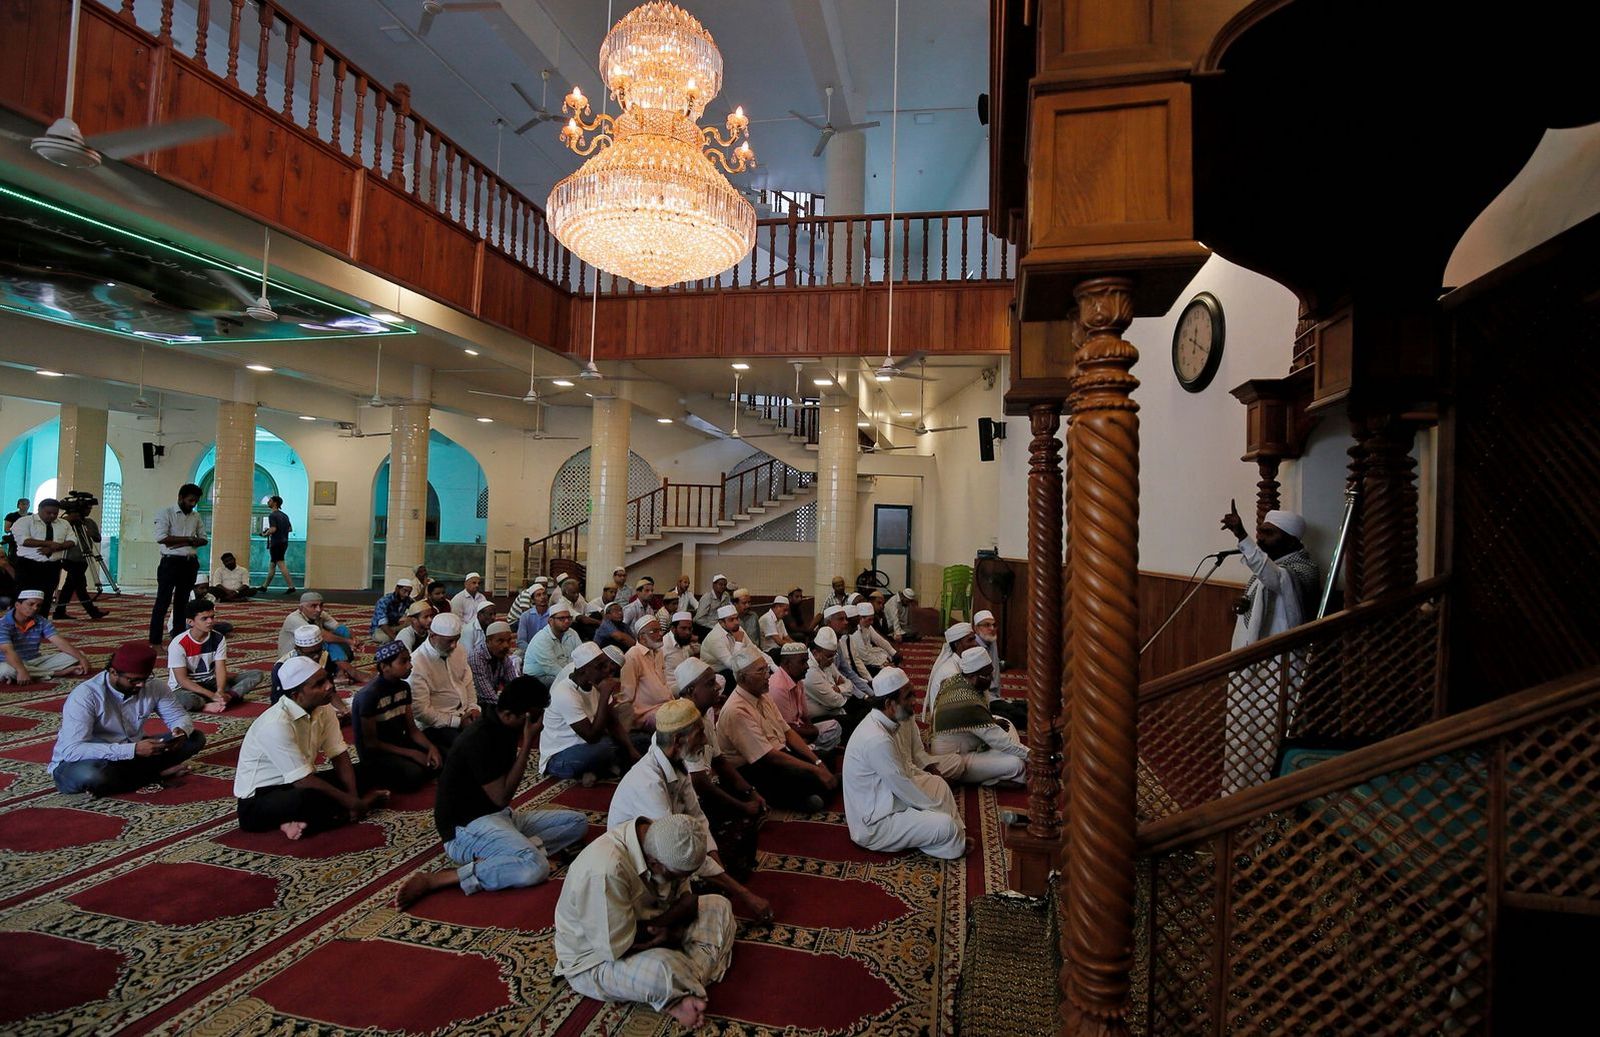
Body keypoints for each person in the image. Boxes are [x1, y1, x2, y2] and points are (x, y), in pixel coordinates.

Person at [396, 677, 590, 907]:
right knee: (536, 868)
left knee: (577, 823)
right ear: (510, 714)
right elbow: (501, 798)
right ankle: (442, 878)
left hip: (499, 818)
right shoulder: (480, 738)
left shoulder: (505, 726)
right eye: (533, 716)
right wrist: (528, 741)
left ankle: (507, 854)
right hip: (466, 829)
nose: (538, 722)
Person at [554, 814, 736, 1029]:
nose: (682, 880)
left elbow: (683, 897)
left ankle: (683, 988)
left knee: (719, 905)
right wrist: (671, 926)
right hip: (596, 959)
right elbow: (615, 947)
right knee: (661, 969)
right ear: (654, 863)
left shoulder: (666, 836)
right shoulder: (605, 871)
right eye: (677, 876)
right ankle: (679, 982)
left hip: (656, 925)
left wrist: (674, 921)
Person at [608, 699, 773, 921]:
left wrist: (716, 861)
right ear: (678, 740)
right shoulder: (648, 783)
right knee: (696, 893)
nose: (705, 740)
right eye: (699, 734)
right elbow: (674, 848)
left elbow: (697, 816)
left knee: (742, 828)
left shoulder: (677, 762)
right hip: (646, 863)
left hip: (674, 841)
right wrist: (745, 894)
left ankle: (716, 879)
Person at [1220, 503, 1323, 791]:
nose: (1262, 538)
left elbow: (1275, 579)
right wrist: (1246, 605)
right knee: (1243, 728)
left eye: (1269, 533)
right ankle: (1239, 789)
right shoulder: (1273, 566)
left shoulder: (1302, 570)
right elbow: (1265, 589)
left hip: (1279, 668)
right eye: (1260, 532)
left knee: (1268, 731)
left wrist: (1242, 537)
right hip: (1252, 664)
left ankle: (1266, 794)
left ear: (1291, 539)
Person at [234, 656, 388, 840]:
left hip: (298, 783)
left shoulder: (323, 708)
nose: (329, 686)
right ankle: (333, 815)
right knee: (309, 798)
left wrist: (352, 798)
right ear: (296, 695)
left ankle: (324, 816)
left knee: (366, 770)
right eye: (319, 684)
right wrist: (352, 802)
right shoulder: (276, 724)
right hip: (259, 800)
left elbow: (339, 755)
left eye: (327, 679)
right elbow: (303, 781)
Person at [48, 642, 207, 795]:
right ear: (113, 672)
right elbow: (73, 750)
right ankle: (153, 775)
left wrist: (180, 731)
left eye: (145, 679)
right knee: (92, 775)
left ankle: (124, 780)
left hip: (131, 754)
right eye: (134, 680)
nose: (141, 685)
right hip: (88, 760)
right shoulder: (86, 695)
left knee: (194, 738)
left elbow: (179, 716)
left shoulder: (154, 686)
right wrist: (132, 750)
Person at [843, 668, 969, 859]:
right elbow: (903, 787)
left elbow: (907, 768)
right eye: (908, 696)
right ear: (889, 704)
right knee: (945, 825)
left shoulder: (887, 723)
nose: (914, 701)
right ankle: (954, 839)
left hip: (889, 797)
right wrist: (936, 809)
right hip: (876, 823)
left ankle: (954, 837)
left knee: (938, 784)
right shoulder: (877, 739)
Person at [716, 647, 837, 812]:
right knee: (811, 778)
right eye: (761, 671)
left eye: (767, 669)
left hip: (779, 754)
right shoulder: (735, 710)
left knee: (827, 759)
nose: (768, 675)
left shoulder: (763, 694)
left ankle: (814, 793)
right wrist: (815, 770)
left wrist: (817, 762)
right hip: (755, 769)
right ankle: (807, 796)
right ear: (743, 678)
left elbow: (787, 732)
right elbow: (768, 756)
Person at [539, 642, 646, 783]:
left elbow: (613, 722)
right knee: (606, 747)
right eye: (600, 667)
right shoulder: (565, 693)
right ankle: (605, 767)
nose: (607, 670)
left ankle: (598, 770)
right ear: (583, 671)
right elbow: (592, 737)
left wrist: (631, 749)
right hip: (562, 756)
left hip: (591, 745)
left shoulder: (596, 682)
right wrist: (604, 696)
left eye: (606, 665)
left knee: (642, 740)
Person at [350, 641, 441, 792]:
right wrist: (411, 753)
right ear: (385, 667)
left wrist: (432, 748)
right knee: (414, 774)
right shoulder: (369, 696)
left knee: (442, 755)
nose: (410, 666)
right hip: (377, 754)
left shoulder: (404, 687)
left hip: (398, 744)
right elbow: (371, 743)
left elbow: (412, 730)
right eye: (403, 662)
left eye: (409, 660)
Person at [929, 647, 1027, 785]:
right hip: (954, 758)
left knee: (1005, 722)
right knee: (1016, 763)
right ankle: (993, 779)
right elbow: (1000, 741)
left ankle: (999, 774)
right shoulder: (967, 702)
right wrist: (1033, 756)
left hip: (968, 742)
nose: (991, 679)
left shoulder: (956, 680)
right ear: (972, 676)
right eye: (986, 676)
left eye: (990, 673)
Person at [168, 599, 264, 714]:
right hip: (185, 688)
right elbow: (182, 680)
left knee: (256, 674)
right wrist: (212, 695)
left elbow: (220, 668)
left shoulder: (218, 638)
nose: (210, 621)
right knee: (186, 700)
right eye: (204, 619)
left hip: (210, 683)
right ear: (190, 622)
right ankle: (207, 704)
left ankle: (226, 698)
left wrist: (220, 691)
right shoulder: (178, 644)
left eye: (212, 617)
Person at [409, 612, 481, 751]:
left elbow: (468, 683)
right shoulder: (417, 664)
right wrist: (457, 722)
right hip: (435, 725)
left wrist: (473, 708)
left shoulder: (459, 650)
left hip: (464, 713)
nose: (454, 645)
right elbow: (422, 712)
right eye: (449, 641)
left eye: (457, 640)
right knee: (467, 747)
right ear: (432, 636)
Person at [0, 590, 91, 683]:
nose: (35, 608)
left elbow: (59, 641)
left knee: (78, 655)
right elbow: (7, 651)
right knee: (7, 670)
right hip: (9, 662)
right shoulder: (2, 624)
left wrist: (81, 658)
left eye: (38, 605)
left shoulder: (41, 621)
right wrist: (21, 670)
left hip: (34, 661)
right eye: (31, 604)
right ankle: (56, 673)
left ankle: (32, 673)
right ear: (17, 605)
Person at [772, 640, 841, 753]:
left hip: (802, 730)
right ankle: (810, 750)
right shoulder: (778, 687)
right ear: (787, 664)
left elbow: (805, 717)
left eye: (807, 661)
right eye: (802, 662)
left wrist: (812, 730)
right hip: (787, 736)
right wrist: (812, 732)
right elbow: (786, 728)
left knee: (834, 726)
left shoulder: (798, 680)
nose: (807, 666)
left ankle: (812, 749)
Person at [276, 592, 362, 683]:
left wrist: (354, 639)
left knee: (342, 632)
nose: (318, 609)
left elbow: (339, 627)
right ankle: (351, 672)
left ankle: (340, 673)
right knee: (329, 642)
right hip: (294, 660)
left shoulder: (319, 614)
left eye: (321, 605)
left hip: (313, 655)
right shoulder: (293, 619)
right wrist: (349, 641)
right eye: (313, 606)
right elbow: (322, 636)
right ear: (301, 608)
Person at [11, 497, 73, 617]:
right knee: (25, 596)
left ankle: (41, 622)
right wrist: (48, 543)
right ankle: (21, 622)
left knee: (47, 596)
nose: (52, 516)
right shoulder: (24, 521)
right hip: (28, 565)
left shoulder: (63, 524)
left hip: (52, 565)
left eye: (55, 513)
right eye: (48, 513)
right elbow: (23, 540)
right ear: (39, 509)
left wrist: (55, 547)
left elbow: (72, 540)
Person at [802, 626, 866, 739]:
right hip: (819, 718)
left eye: (834, 655)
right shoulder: (810, 672)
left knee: (868, 707)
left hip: (836, 709)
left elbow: (848, 683)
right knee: (858, 720)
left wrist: (839, 689)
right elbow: (836, 701)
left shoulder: (826, 661)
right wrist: (841, 688)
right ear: (816, 653)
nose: (832, 659)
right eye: (829, 656)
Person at [56, 494, 109, 620]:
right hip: (69, 557)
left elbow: (97, 538)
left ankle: (60, 611)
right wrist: (69, 519)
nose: (89, 511)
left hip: (83, 558)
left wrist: (90, 533)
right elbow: (58, 532)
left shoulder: (89, 522)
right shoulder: (65, 522)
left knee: (70, 586)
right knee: (80, 586)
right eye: (87, 508)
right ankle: (92, 611)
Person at [620, 615, 673, 730]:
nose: (660, 634)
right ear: (642, 637)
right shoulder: (633, 655)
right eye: (654, 631)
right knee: (674, 723)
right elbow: (626, 694)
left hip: (665, 706)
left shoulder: (658, 652)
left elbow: (663, 683)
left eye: (660, 630)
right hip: (646, 713)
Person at [922, 622, 977, 721]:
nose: (975, 644)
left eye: (974, 639)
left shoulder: (960, 663)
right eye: (970, 640)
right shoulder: (950, 673)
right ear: (957, 645)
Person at [820, 604, 874, 699]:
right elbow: (838, 677)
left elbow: (848, 672)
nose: (846, 622)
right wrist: (863, 696)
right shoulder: (822, 646)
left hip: (844, 687)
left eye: (846, 619)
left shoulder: (837, 642)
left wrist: (871, 693)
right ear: (828, 623)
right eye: (841, 619)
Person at [524, 601, 581, 687]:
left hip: (563, 671)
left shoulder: (572, 633)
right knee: (569, 685)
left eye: (569, 618)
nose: (566, 621)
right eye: (561, 618)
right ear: (550, 621)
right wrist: (574, 678)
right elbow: (552, 668)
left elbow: (580, 655)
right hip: (538, 677)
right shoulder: (542, 638)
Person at [469, 620, 520, 709]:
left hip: (494, 702)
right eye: (500, 641)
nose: (506, 645)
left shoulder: (503, 656)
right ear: (488, 641)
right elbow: (486, 695)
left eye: (508, 641)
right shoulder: (476, 658)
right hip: (477, 706)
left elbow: (514, 684)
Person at [699, 604, 747, 683]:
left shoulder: (736, 628)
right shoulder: (715, 638)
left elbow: (753, 648)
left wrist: (768, 664)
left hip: (731, 667)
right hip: (714, 675)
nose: (736, 622)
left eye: (737, 618)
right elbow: (733, 666)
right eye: (731, 620)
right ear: (721, 622)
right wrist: (738, 641)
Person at [257, 495, 295, 594]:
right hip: (284, 542)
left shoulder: (272, 515)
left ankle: (291, 586)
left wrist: (265, 533)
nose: (268, 502)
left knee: (281, 564)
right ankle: (264, 586)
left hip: (276, 543)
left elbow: (273, 529)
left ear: (275, 503)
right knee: (272, 565)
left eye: (270, 500)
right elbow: (290, 529)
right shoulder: (285, 516)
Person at [849, 602, 899, 674]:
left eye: (872, 619)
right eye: (869, 619)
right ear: (860, 618)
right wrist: (883, 663)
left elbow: (880, 640)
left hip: (869, 654)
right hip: (862, 660)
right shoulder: (855, 631)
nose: (872, 622)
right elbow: (864, 656)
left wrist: (893, 652)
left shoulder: (867, 626)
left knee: (886, 653)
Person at [661, 611, 699, 693]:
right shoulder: (664, 645)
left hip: (686, 681)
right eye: (683, 628)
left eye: (690, 629)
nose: (687, 632)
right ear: (673, 629)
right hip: (672, 687)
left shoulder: (683, 641)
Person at [370, 577, 415, 644]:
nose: (406, 594)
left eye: (409, 592)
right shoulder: (384, 601)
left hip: (395, 627)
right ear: (397, 589)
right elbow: (383, 624)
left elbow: (416, 608)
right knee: (386, 638)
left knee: (414, 624)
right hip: (380, 629)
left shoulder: (407, 600)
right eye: (405, 591)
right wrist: (396, 639)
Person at [691, 573, 731, 640]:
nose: (723, 587)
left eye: (724, 585)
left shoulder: (726, 596)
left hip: (720, 625)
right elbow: (699, 619)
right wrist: (714, 626)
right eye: (720, 584)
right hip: (704, 626)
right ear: (714, 585)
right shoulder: (707, 597)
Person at [515, 584, 551, 650]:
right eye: (538, 595)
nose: (542, 597)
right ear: (533, 600)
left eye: (544, 594)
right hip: (529, 650)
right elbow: (521, 641)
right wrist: (533, 651)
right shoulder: (526, 616)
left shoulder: (553, 614)